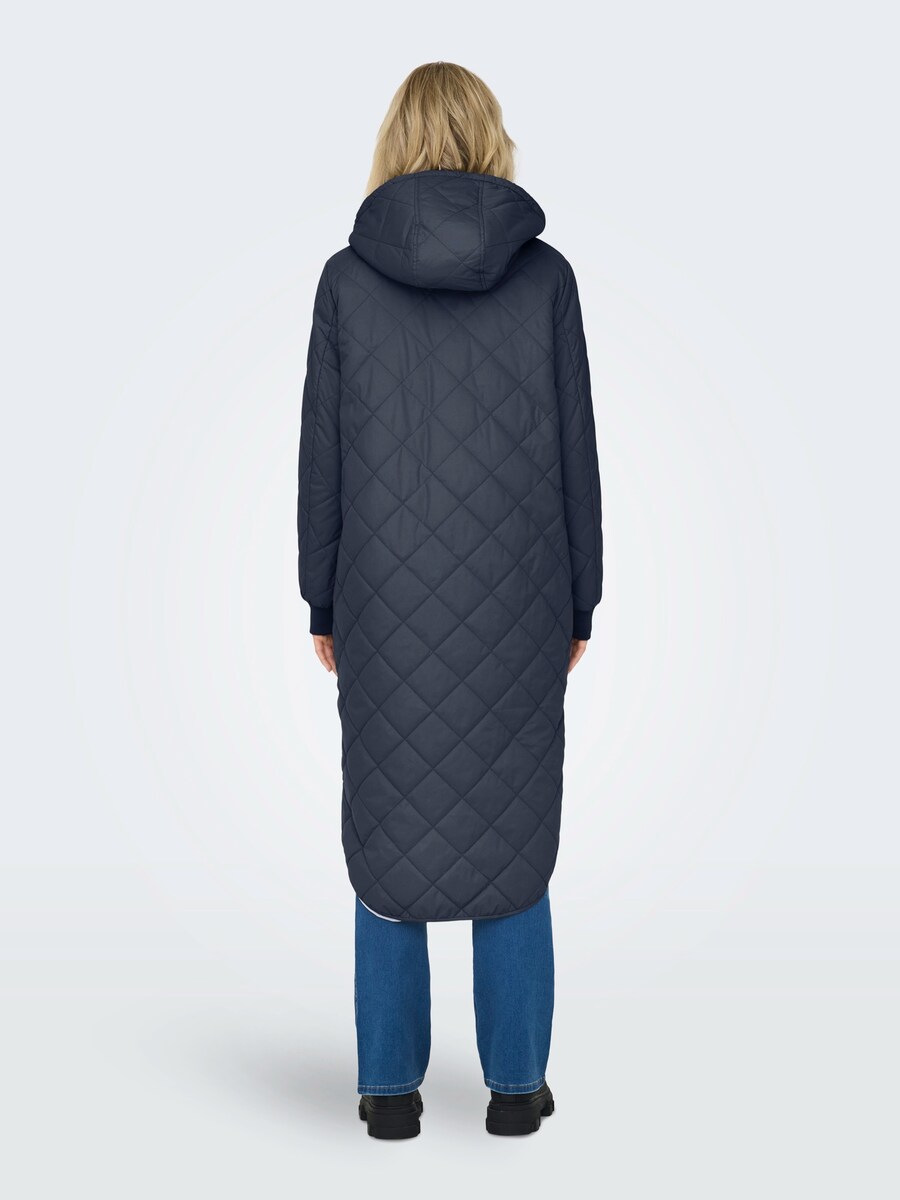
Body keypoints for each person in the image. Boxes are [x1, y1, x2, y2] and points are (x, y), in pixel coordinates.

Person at [297, 61, 603, 1139]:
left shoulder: (346, 282)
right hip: (522, 600)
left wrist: (322, 600)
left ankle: (388, 1095)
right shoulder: (546, 278)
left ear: (395, 139)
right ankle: (517, 1091)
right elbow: (577, 453)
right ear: (489, 137)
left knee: (392, 839)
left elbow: (323, 461)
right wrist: (581, 601)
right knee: (511, 837)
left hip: (383, 604)